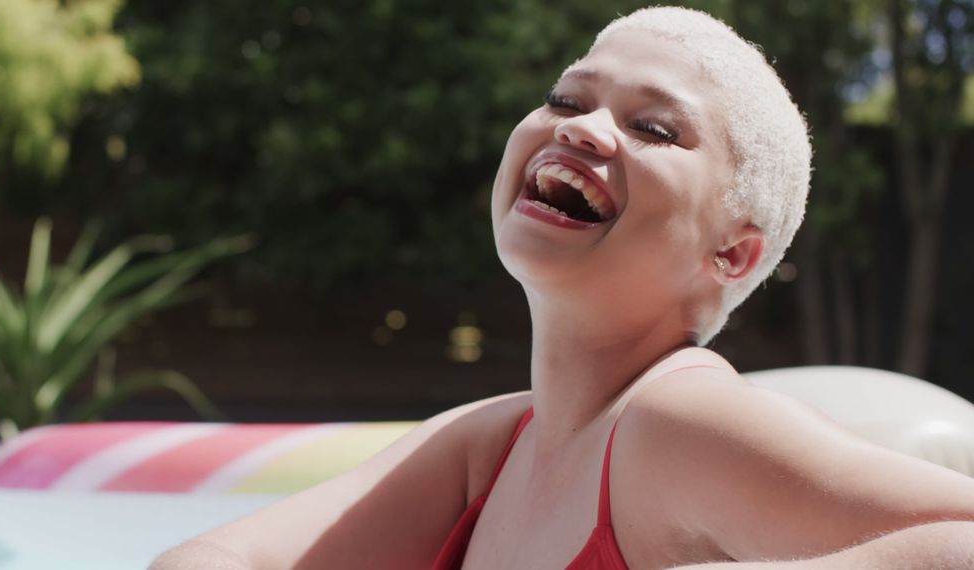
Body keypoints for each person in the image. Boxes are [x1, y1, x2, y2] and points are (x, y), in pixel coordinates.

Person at [151, 6, 974, 569]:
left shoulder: (673, 423)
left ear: (732, 254)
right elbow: (225, 557)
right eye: (565, 99)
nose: (579, 127)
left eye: (654, 128)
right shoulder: (489, 444)